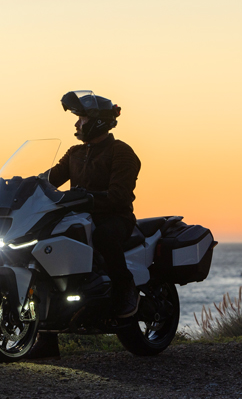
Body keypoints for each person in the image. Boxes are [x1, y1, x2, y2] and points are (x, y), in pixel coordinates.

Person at [47, 90, 141, 318]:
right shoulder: (75, 153)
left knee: (104, 236)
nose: (77, 124)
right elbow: (49, 180)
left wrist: (89, 197)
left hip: (115, 218)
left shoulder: (121, 152)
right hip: (80, 218)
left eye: (82, 119)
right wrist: (23, 185)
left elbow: (119, 195)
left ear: (98, 122)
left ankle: (126, 288)